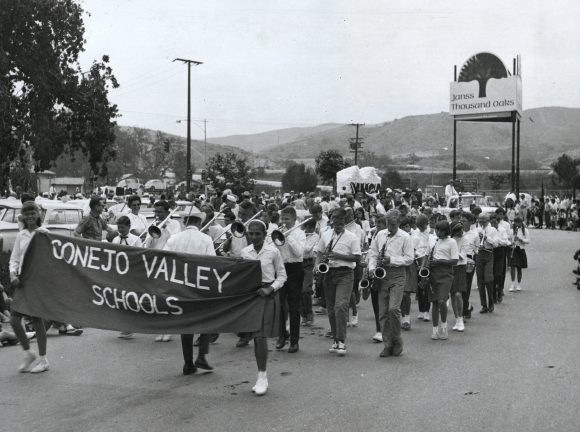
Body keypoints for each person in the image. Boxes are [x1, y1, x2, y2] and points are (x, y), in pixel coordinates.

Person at [163, 211, 215, 375]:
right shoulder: (206, 239)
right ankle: (201, 356)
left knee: (186, 324)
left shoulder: (174, 238)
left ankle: (188, 363)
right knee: (207, 320)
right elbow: (212, 262)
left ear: (185, 222)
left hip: (179, 285)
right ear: (200, 223)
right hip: (200, 284)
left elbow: (164, 258)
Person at [240, 220, 287, 395]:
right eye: (250, 233)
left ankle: (262, 376)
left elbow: (282, 276)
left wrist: (270, 289)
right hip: (251, 296)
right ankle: (261, 374)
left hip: (267, 295)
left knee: (260, 336)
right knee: (253, 335)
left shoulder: (273, 251)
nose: (253, 237)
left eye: (257, 233)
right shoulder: (245, 252)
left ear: (264, 234)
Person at [9, 202, 51, 373]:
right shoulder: (21, 235)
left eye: (33, 213)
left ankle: (43, 359)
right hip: (23, 281)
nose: (30, 216)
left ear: (38, 214)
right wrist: (12, 274)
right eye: (26, 214)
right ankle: (29, 353)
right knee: (13, 320)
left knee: (37, 320)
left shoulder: (45, 233)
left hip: (38, 282)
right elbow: (15, 259)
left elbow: (51, 259)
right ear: (23, 217)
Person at [315, 208, 361, 356]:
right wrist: (317, 265)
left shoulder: (352, 237)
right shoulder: (326, 234)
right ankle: (335, 340)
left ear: (345, 221)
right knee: (331, 309)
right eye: (335, 222)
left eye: (340, 222)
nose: (337, 225)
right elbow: (320, 252)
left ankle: (341, 341)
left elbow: (357, 258)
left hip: (345, 274)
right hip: (329, 273)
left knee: (340, 306)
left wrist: (338, 256)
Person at [368, 209, 413, 357]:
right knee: (383, 312)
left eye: (393, 224)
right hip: (382, 275)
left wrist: (391, 260)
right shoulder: (380, 235)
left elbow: (409, 258)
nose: (390, 227)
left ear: (398, 223)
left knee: (393, 309)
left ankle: (397, 339)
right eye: (388, 224)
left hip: (398, 274)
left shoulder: (405, 237)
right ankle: (387, 344)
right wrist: (372, 268)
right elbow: (373, 253)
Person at [274, 207, 306, 353]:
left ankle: (294, 341)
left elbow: (300, 252)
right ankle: (282, 334)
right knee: (279, 305)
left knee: (294, 306)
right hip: (280, 268)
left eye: (287, 219)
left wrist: (287, 236)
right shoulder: (276, 232)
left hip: (295, 269)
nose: (284, 222)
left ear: (294, 219)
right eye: (283, 219)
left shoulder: (300, 233)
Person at [425, 220, 459, 340]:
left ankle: (444, 326)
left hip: (446, 274)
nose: (438, 232)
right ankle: (435, 330)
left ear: (446, 231)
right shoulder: (433, 240)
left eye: (440, 230)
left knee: (441, 300)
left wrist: (439, 262)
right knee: (434, 302)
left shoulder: (452, 242)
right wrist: (423, 268)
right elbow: (426, 254)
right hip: (433, 273)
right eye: (437, 230)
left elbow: (455, 261)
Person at [476, 213, 499, 313]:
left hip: (489, 254)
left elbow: (496, 244)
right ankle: (484, 305)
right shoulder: (476, 230)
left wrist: (486, 238)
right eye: (480, 221)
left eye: (483, 221)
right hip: (479, 254)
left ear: (488, 221)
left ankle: (491, 301)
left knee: (488, 280)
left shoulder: (492, 230)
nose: (481, 223)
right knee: (480, 281)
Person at [460, 212, 479, 320]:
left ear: (470, 222)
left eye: (464, 221)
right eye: (461, 221)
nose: (462, 223)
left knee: (466, 287)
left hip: (469, 262)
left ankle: (463, 312)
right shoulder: (458, 233)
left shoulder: (475, 235)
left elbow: (476, 250)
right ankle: (467, 307)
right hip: (459, 260)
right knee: (459, 287)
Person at [412, 214, 431, 322]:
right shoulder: (415, 233)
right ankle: (421, 310)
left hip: (426, 260)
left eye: (422, 226)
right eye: (418, 226)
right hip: (417, 260)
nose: (420, 228)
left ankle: (427, 311)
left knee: (426, 286)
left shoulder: (430, 233)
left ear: (426, 224)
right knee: (419, 286)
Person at [301, 217, 319, 327]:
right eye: (307, 226)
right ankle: (303, 315)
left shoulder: (315, 236)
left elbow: (307, 249)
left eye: (311, 227)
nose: (309, 229)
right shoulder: (300, 234)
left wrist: (297, 240)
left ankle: (309, 313)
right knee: (299, 290)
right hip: (298, 263)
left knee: (305, 289)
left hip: (308, 263)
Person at [450, 221, 467, 332]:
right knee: (452, 294)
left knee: (457, 294)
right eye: (458, 230)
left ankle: (461, 319)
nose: (461, 231)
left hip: (461, 267)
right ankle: (457, 319)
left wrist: (451, 255)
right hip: (450, 268)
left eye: (461, 229)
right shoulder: (450, 240)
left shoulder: (465, 239)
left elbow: (462, 255)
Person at [507, 216, 529, 291]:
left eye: (518, 222)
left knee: (519, 268)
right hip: (514, 249)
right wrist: (511, 242)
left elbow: (528, 240)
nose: (517, 224)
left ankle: (519, 284)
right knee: (512, 267)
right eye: (515, 222)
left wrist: (520, 240)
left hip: (521, 249)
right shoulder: (511, 230)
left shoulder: (525, 230)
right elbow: (508, 239)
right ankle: (512, 284)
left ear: (521, 222)